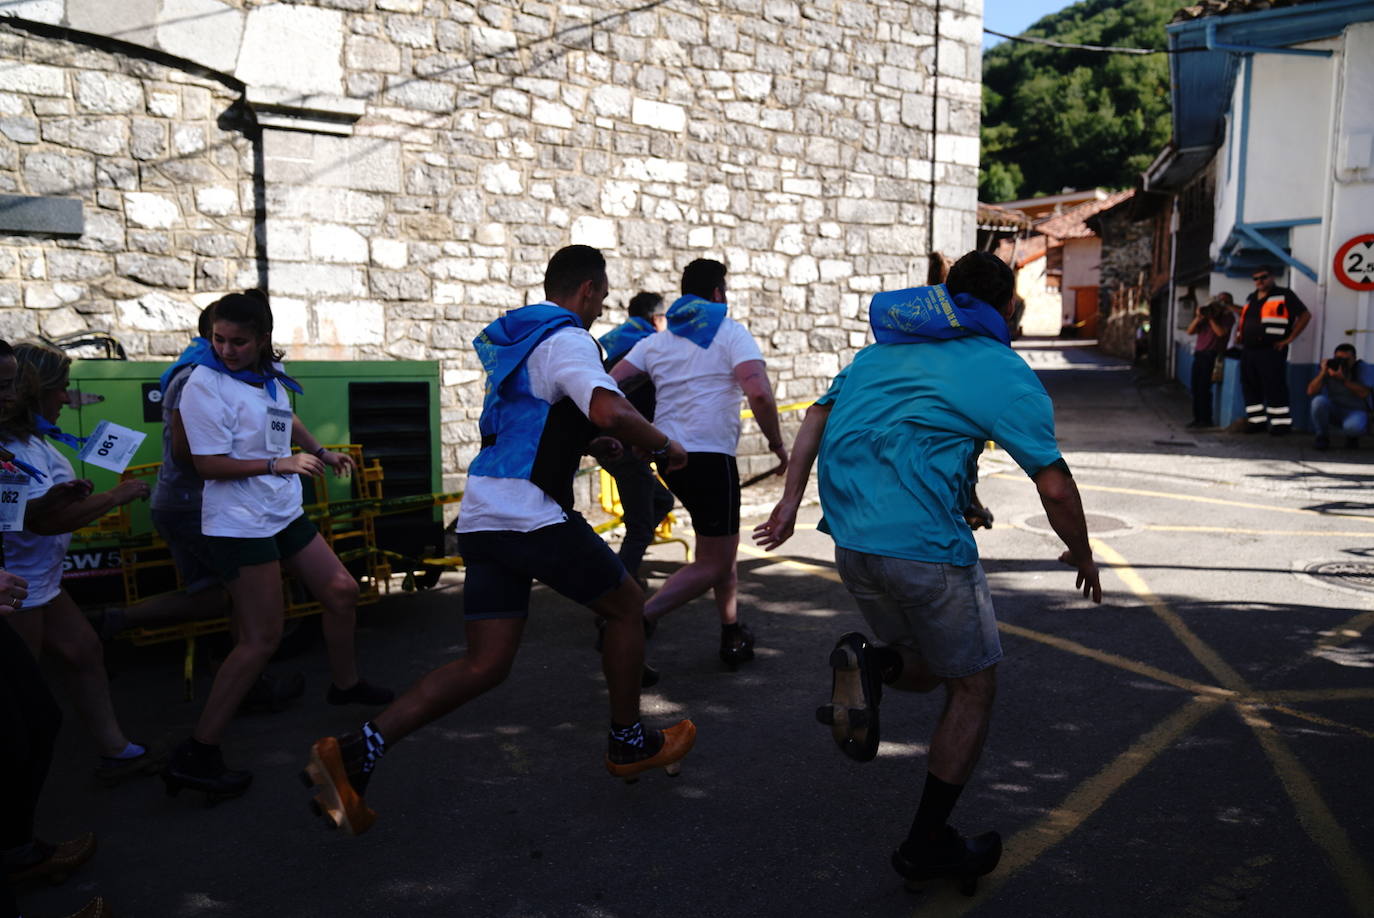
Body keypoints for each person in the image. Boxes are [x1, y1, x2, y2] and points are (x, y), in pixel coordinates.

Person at [303, 245, 696, 837]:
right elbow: (608, 408)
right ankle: (627, 740)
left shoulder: (520, 346)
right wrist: (664, 446)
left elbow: (534, 425)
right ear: (588, 290)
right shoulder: (567, 340)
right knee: (627, 611)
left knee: (484, 664)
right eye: (603, 296)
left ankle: (356, 751)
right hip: (529, 515)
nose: (602, 307)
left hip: (486, 514)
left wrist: (588, 445)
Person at [754, 251, 1102, 892]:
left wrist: (788, 502)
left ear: (945, 296)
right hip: (925, 552)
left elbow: (818, 418)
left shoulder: (876, 357)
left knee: (928, 665)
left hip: (853, 546)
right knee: (974, 687)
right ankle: (925, 843)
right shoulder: (1001, 369)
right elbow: (1054, 485)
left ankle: (873, 665)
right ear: (1005, 307)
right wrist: (1082, 553)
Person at [163, 290, 392, 800]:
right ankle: (197, 753)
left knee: (341, 591)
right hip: (237, 523)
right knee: (261, 639)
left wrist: (319, 451)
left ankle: (345, 684)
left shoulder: (264, 376)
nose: (225, 349)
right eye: (218, 339)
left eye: (238, 341)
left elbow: (280, 417)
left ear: (263, 339)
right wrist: (279, 464)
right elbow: (206, 465)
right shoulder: (204, 384)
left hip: (278, 509)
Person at [609, 259, 787, 667]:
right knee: (717, 560)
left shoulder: (659, 340)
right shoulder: (729, 333)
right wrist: (778, 445)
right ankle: (636, 620)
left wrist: (634, 432)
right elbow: (758, 392)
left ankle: (731, 632)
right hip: (711, 458)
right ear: (719, 295)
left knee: (717, 551)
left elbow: (610, 381)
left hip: (670, 457)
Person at [0, 341, 162, 788]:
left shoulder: (31, 439)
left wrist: (56, 500)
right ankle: (23, 810)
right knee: (24, 698)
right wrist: (115, 495)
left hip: (41, 580)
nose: (66, 399)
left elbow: (38, 512)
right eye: (61, 389)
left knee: (85, 652)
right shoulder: (9, 446)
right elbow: (43, 522)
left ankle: (115, 750)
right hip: (19, 587)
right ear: (37, 390)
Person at [0, 339, 108, 918]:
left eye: (13, 383)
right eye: (2, 386)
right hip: (18, 593)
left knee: (36, 721)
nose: (11, 396)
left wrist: (50, 504)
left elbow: (20, 515)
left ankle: (20, 851)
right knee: (20, 731)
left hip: (26, 585)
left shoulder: (20, 441)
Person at [597, 291, 673, 582]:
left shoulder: (614, 338)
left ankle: (619, 569)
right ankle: (618, 587)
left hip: (602, 438)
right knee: (640, 526)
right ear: (656, 318)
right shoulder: (647, 345)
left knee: (661, 501)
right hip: (623, 441)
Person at [1238, 265, 1310, 435]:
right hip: (1249, 350)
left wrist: (1289, 339)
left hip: (1271, 350)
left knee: (1274, 385)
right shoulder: (1251, 297)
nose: (1260, 281)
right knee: (1250, 385)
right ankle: (1257, 421)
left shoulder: (1285, 295)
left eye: (1263, 277)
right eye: (1256, 278)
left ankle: (1281, 424)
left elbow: (1305, 315)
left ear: (1272, 277)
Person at [1305, 343, 1373, 450]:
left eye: (1346, 359)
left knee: (1353, 428)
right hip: (1335, 408)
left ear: (1354, 359)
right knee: (1318, 401)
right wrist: (1323, 372)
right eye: (1339, 358)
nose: (1342, 362)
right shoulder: (1331, 367)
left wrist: (1344, 380)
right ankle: (1322, 436)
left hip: (1356, 410)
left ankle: (1352, 437)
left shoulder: (1362, 368)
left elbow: (1365, 393)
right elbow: (1310, 391)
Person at [1185, 293, 1236, 429]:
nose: (1219, 303)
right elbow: (1189, 331)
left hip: (1212, 355)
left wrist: (1212, 318)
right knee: (1195, 388)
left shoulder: (1227, 317)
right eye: (1218, 300)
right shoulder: (1205, 318)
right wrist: (1199, 317)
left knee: (1204, 388)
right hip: (1199, 354)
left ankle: (1206, 419)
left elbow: (1221, 333)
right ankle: (1197, 418)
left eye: (1222, 301)